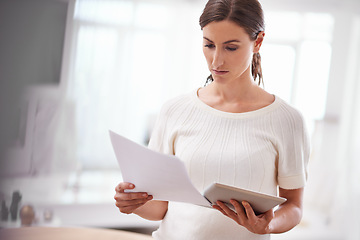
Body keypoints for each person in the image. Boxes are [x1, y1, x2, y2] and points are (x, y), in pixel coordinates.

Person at [114, 0, 310, 239]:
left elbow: (294, 206)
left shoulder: (286, 120)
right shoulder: (175, 111)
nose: (216, 61)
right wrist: (133, 203)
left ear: (257, 42)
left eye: (231, 48)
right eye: (209, 45)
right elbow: (160, 206)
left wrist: (268, 225)